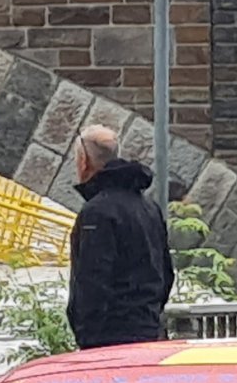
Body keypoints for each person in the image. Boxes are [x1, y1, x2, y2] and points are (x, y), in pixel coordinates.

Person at [66, 125, 174, 350]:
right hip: (149, 333)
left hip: (109, 341)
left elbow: (91, 284)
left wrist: (86, 338)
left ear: (84, 161)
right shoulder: (149, 208)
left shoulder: (97, 213)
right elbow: (166, 273)